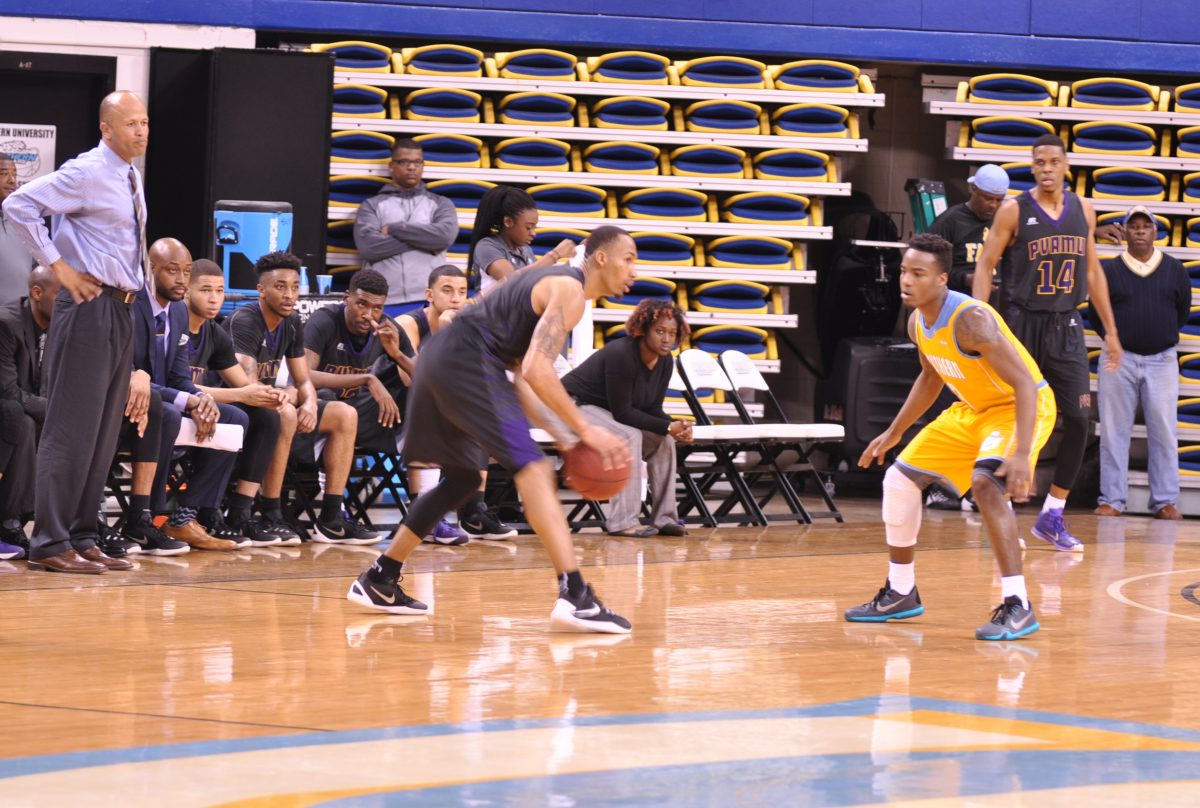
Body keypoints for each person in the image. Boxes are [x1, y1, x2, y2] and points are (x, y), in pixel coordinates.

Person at [347, 225, 639, 634]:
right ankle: (576, 595)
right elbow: (539, 369)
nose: (635, 271)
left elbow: (520, 379)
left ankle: (380, 577)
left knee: (463, 478)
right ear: (602, 258)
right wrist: (586, 431)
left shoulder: (548, 285)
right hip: (466, 364)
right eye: (630, 259)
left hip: (438, 363)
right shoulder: (569, 291)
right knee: (534, 471)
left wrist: (565, 435)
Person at [845, 233, 1057, 640]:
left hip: (1016, 407)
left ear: (942, 278)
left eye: (918, 273)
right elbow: (930, 376)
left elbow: (1027, 386)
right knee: (899, 479)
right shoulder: (916, 321)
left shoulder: (972, 321)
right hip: (971, 410)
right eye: (904, 271)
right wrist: (894, 431)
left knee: (986, 483)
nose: (906, 280)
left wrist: (1023, 453)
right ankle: (901, 591)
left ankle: (1019, 604)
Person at [1, 90, 152, 574]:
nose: (141, 131)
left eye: (145, 122)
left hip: (121, 308)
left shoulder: (129, 174)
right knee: (70, 428)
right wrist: (59, 268)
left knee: (105, 430)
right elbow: (19, 206)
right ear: (106, 128)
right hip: (86, 305)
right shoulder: (87, 172)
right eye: (130, 123)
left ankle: (84, 534)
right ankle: (49, 540)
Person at [972, 133, 1123, 552]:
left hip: (1067, 325)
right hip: (1021, 323)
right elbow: (986, 266)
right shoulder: (1013, 210)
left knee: (1079, 421)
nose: (1047, 169)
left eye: (1054, 162)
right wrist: (979, 318)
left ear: (1066, 165)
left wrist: (1110, 331)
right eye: (1039, 162)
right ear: (1032, 166)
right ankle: (1001, 513)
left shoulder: (1084, 210)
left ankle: (1052, 515)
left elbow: (1093, 273)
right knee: (1017, 418)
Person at [225, 250, 380, 544]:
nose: (289, 294)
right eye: (280, 286)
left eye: (295, 287)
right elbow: (246, 382)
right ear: (261, 289)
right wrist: (287, 398)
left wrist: (308, 401)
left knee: (345, 414)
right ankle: (271, 512)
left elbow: (303, 378)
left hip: (271, 401)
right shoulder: (245, 320)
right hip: (239, 404)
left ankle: (331, 518)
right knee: (285, 412)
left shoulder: (292, 321)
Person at [130, 238, 244, 550]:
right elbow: (127, 375)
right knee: (164, 413)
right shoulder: (130, 305)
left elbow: (179, 376)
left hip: (164, 398)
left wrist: (202, 399)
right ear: (151, 271)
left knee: (234, 417)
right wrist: (189, 400)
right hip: (132, 403)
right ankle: (148, 517)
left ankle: (186, 514)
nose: (181, 279)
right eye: (172, 271)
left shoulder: (178, 312)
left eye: (186, 271)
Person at [396, 264, 516, 543]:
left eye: (462, 292)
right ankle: (422, 515)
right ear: (429, 293)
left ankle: (474, 511)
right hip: (390, 403)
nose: (455, 299)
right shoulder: (408, 323)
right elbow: (407, 378)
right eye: (447, 290)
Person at [302, 267, 418, 544]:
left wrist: (397, 354)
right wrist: (367, 379)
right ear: (346, 298)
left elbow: (426, 379)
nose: (368, 314)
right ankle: (333, 514)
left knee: (422, 399)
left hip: (355, 412)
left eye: (376, 308)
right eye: (361, 304)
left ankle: (422, 512)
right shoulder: (324, 321)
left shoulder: (387, 327)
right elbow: (303, 375)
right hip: (312, 412)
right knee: (336, 403)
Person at [183, 258, 293, 546]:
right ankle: (192, 513)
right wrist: (241, 395)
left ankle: (238, 513)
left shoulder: (214, 331)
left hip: (204, 408)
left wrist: (270, 395)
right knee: (235, 415)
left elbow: (243, 384)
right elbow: (174, 385)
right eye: (205, 290)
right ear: (186, 292)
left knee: (267, 416)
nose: (213, 298)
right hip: (174, 406)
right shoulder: (170, 325)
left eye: (219, 291)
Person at [562, 299, 692, 537]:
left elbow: (652, 407)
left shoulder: (665, 361)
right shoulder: (622, 353)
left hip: (604, 411)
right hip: (571, 405)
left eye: (672, 333)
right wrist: (666, 426)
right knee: (629, 435)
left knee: (665, 441)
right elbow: (623, 413)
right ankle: (623, 522)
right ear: (643, 329)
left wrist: (675, 426)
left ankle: (665, 518)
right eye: (660, 331)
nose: (666, 339)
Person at [1091, 206, 1190, 520]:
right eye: (1133, 226)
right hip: (1118, 360)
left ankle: (1164, 501)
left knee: (1163, 430)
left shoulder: (1175, 269)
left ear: (1155, 232)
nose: (1139, 231)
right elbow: (1096, 314)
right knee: (1113, 430)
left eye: (1145, 226)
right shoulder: (1109, 270)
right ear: (1124, 232)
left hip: (1162, 359)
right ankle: (1112, 499)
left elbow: (1183, 310)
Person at [353, 139, 457, 317]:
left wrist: (394, 229)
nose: (411, 167)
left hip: (429, 300)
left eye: (417, 162)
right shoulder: (372, 205)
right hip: (384, 301)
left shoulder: (441, 203)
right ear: (391, 166)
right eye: (404, 162)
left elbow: (444, 237)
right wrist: (426, 241)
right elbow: (369, 248)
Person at [0, 266, 58, 557]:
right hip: (6, 408)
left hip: (23, 410)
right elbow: (7, 391)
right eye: (61, 295)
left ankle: (78, 522)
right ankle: (9, 522)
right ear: (37, 293)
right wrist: (55, 411)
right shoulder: (6, 323)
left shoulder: (61, 330)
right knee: (21, 421)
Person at [466, 185, 577, 294]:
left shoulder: (526, 250)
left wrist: (573, 263)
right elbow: (513, 281)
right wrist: (554, 255)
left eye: (534, 227)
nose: (533, 233)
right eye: (528, 227)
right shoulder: (486, 246)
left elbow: (540, 279)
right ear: (508, 222)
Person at [927, 163, 1009, 295]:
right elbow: (930, 269)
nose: (993, 205)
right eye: (988, 198)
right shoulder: (949, 221)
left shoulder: (1002, 221)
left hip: (990, 306)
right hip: (955, 302)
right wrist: (965, 279)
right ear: (973, 189)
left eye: (999, 200)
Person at [0, 154, 35, 305]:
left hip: (20, 318)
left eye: (14, 174)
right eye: (3, 174)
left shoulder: (24, 221)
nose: (12, 180)